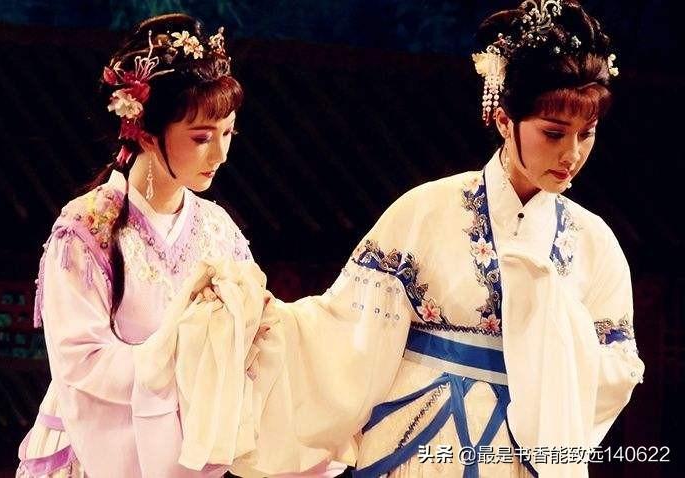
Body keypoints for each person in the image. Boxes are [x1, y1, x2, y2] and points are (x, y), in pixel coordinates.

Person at [214, 1, 643, 477]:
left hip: (524, 457)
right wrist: (262, 322)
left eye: (587, 134)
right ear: (504, 120)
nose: (572, 154)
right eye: (554, 133)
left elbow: (616, 371)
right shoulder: (425, 211)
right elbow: (345, 332)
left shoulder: (595, 243)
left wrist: (553, 328)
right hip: (418, 440)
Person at [16, 13, 253, 478]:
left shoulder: (219, 232)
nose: (221, 154)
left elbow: (252, 341)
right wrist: (182, 360)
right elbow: (82, 362)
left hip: (183, 454)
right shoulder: (87, 228)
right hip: (93, 454)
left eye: (228, 133)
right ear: (144, 130)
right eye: (202, 137)